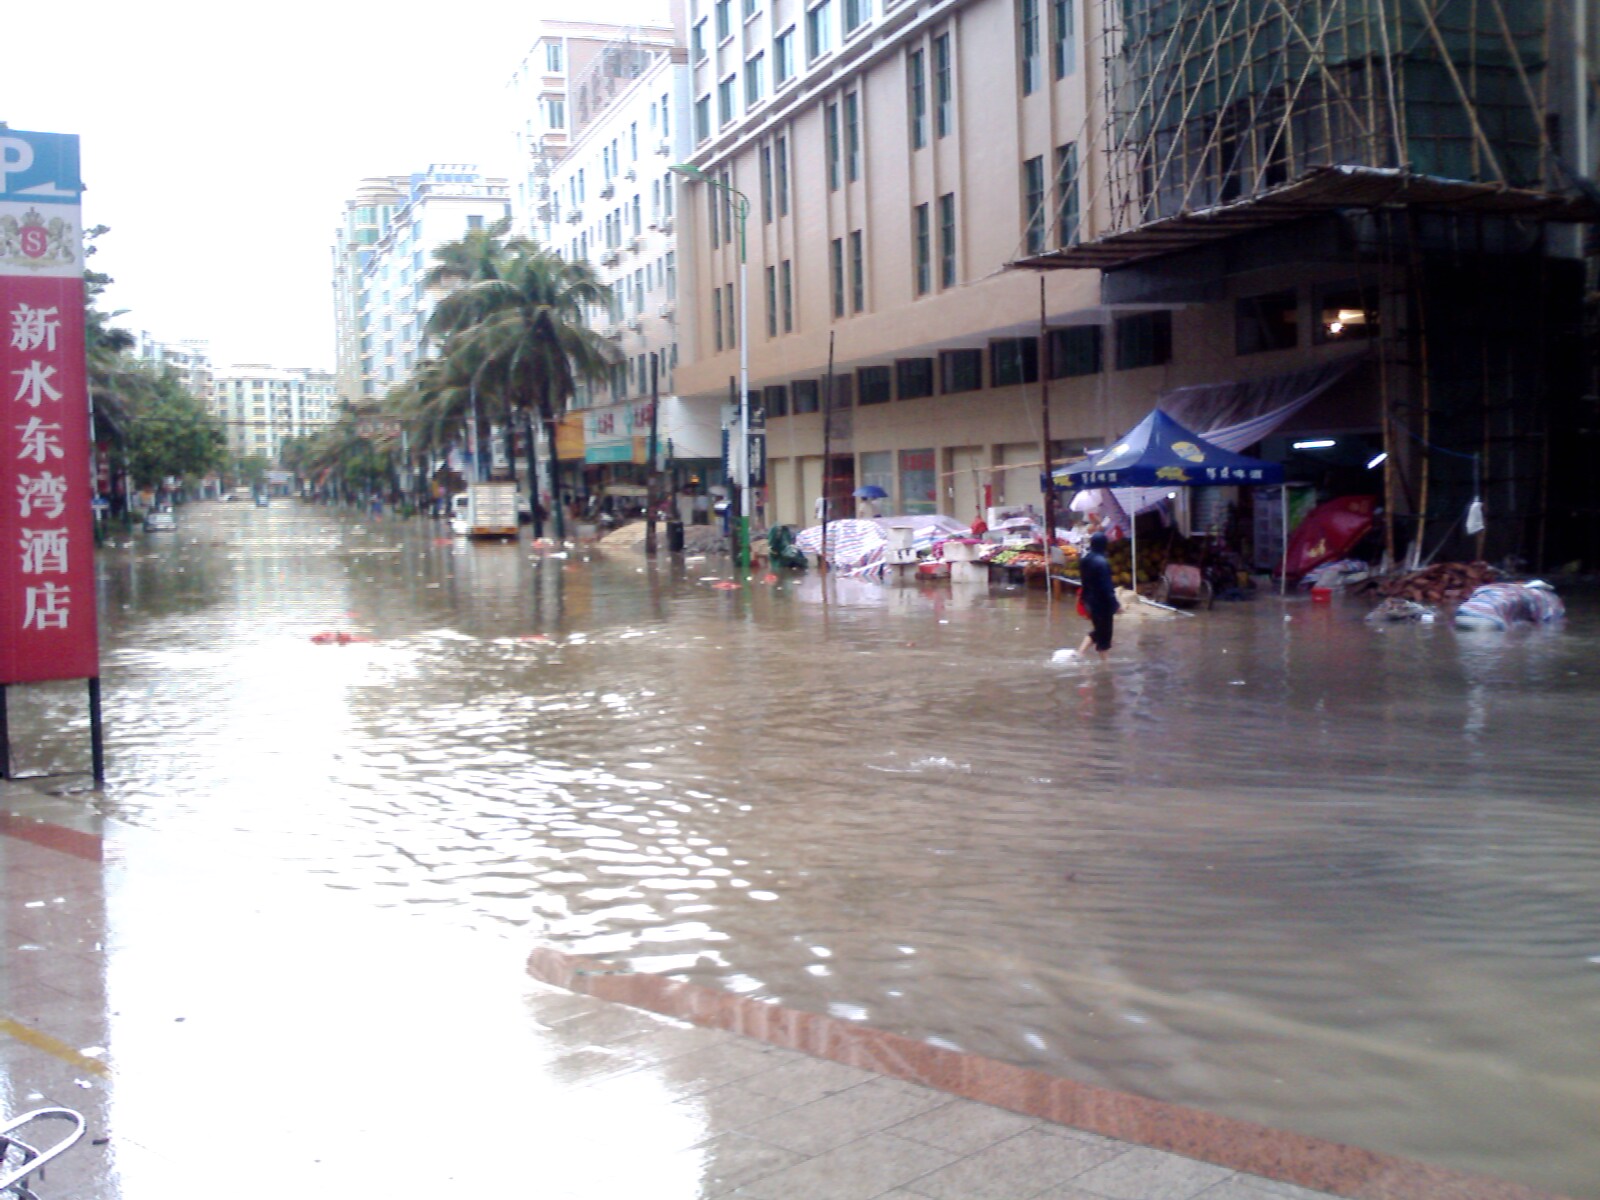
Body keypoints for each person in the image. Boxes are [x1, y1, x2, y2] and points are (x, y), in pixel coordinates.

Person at [1076, 531, 1120, 660]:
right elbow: (1107, 587)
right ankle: (1105, 668)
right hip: (1102, 604)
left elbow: (1084, 582)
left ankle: (1080, 654)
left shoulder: (1085, 560)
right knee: (1105, 637)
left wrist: (1084, 600)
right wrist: (1115, 604)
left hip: (1090, 602)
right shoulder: (1102, 563)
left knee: (1099, 630)